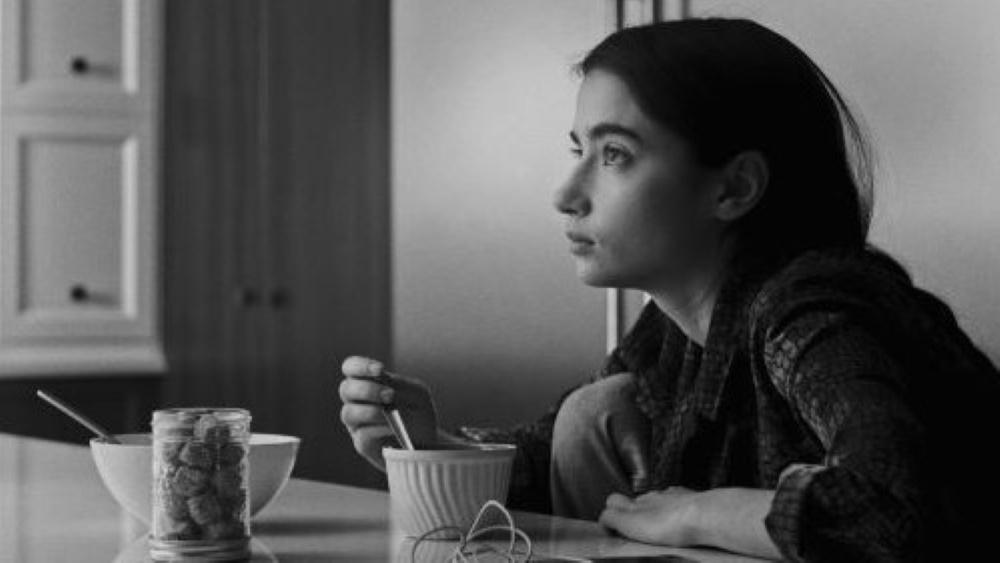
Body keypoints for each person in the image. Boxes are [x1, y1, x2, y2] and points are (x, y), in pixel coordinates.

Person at [337, 18, 1000, 562]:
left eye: (616, 154)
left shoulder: (811, 309)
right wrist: (427, 441)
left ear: (733, 187)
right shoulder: (674, 326)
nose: (566, 196)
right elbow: (541, 462)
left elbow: (888, 507)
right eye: (580, 152)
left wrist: (696, 511)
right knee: (593, 413)